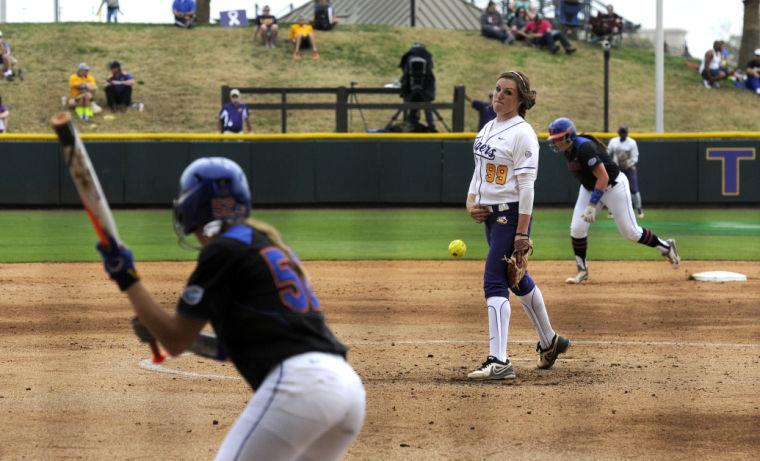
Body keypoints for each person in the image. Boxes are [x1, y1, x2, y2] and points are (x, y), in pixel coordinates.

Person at [95, 157, 366, 460]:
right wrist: (159, 324)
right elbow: (228, 348)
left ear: (194, 203)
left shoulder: (222, 250)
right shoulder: (266, 245)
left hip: (302, 388)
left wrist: (125, 275)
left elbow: (174, 340)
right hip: (347, 391)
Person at [466, 71, 571, 381]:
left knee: (494, 282)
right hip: (490, 215)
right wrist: (471, 202)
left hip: (510, 216)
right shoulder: (488, 127)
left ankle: (498, 361)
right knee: (516, 279)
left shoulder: (522, 133)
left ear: (521, 100)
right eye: (497, 89)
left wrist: (522, 232)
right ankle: (550, 342)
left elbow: (527, 187)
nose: (499, 95)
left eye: (508, 92)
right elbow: (480, 172)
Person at [547, 117, 681, 284]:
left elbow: (603, 177)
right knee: (577, 228)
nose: (555, 142)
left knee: (631, 233)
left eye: (558, 138)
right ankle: (582, 269)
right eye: (554, 139)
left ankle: (666, 247)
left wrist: (592, 204)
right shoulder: (568, 150)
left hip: (613, 187)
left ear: (569, 136)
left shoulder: (584, 148)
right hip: (590, 188)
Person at [607, 126, 644, 218]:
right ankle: (611, 211)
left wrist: (628, 163)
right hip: (617, 168)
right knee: (612, 188)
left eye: (624, 132)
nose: (623, 134)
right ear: (619, 133)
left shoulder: (631, 142)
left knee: (634, 189)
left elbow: (635, 157)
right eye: (621, 132)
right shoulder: (613, 141)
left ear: (627, 133)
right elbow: (608, 152)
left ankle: (639, 210)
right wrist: (611, 164)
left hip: (629, 168)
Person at [399, 43, 436, 131]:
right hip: (426, 91)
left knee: (412, 109)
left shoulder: (408, 57)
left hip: (411, 91)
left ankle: (410, 126)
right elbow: (430, 77)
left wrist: (403, 90)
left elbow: (405, 75)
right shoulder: (427, 57)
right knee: (428, 111)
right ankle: (432, 128)